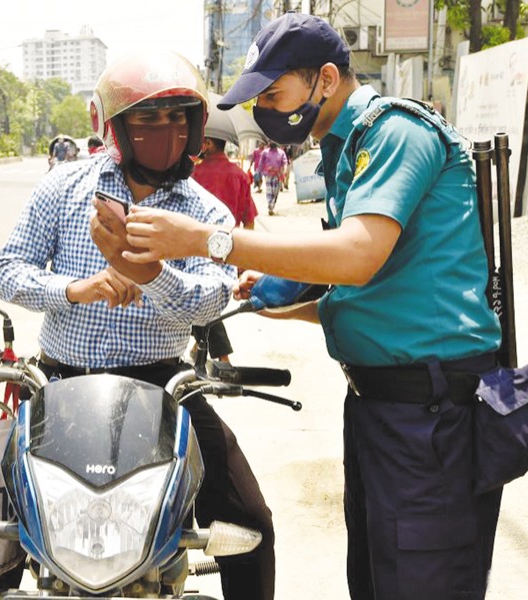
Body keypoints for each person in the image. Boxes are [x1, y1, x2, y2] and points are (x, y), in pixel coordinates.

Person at [121, 13, 506, 600]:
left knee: (422, 581)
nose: (266, 112)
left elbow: (357, 256)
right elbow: (378, 289)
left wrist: (206, 242)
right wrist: (297, 307)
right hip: (382, 408)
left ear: (326, 78)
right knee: (378, 581)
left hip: (431, 415)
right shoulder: (342, 148)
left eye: (275, 94)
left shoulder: (394, 133)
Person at [0, 50, 275, 600]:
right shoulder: (64, 187)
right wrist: (75, 289)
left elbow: (209, 299)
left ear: (193, 127)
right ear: (116, 127)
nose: (163, 132)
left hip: (164, 387)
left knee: (250, 521)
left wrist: (152, 275)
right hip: (60, 386)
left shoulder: (203, 211)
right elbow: (5, 269)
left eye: (175, 119)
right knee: (1, 525)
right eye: (146, 119)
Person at [191, 134, 259, 361]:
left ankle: (223, 358)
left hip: (196, 250)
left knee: (200, 304)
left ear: (208, 144)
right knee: (207, 303)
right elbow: (249, 219)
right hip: (229, 251)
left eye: (201, 141)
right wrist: (244, 258)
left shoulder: (193, 175)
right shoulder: (239, 175)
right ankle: (201, 350)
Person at [259, 141, 288, 215]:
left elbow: (285, 162)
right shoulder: (265, 152)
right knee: (269, 191)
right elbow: (261, 163)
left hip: (277, 176)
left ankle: (272, 205)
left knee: (275, 192)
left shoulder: (281, 153)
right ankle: (270, 207)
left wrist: (284, 171)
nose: (271, 142)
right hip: (268, 175)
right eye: (270, 141)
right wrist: (260, 173)